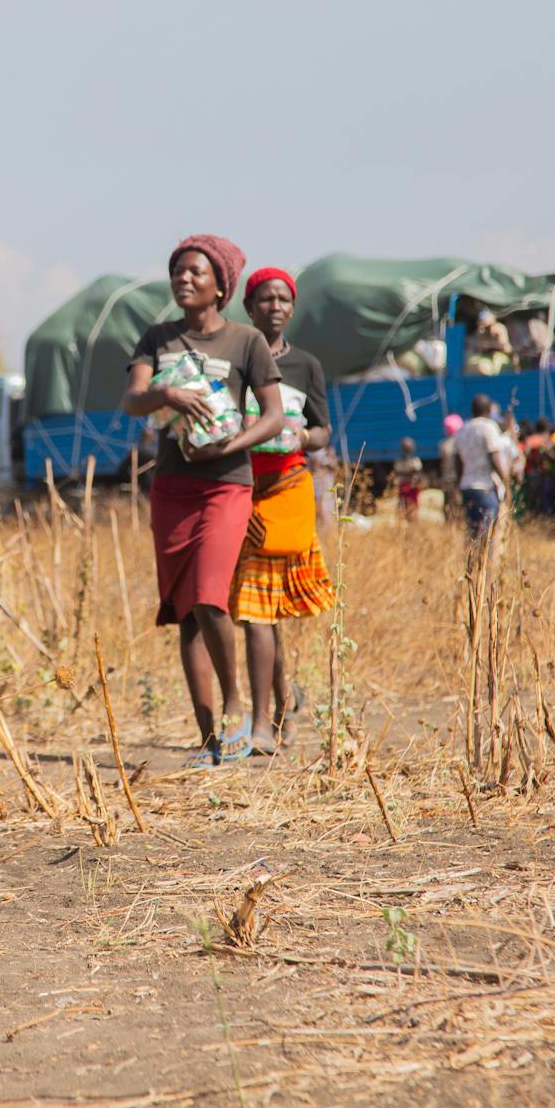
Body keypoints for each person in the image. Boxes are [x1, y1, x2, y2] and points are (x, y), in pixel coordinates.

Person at [123, 235, 284, 766]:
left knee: (212, 596)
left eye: (195, 272)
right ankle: (209, 738)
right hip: (172, 488)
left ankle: (237, 707)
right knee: (185, 610)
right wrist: (165, 394)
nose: (184, 280)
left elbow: (274, 416)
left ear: (221, 285)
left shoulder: (245, 342)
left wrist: (229, 444)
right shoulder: (157, 337)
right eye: (177, 272)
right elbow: (131, 401)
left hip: (226, 483)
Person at [227, 267, 336, 755]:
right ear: (249, 308)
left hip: (287, 488)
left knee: (258, 611)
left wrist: (300, 435)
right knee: (258, 612)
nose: (275, 307)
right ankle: (284, 704)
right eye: (265, 300)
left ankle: (264, 724)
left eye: (283, 299)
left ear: (291, 308)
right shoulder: (233, 359)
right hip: (238, 488)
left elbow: (323, 431)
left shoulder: (306, 364)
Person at [454, 394, 513, 542]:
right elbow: (494, 456)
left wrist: (458, 485)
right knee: (486, 536)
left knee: (472, 534)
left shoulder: (463, 429)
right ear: (488, 410)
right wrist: (506, 484)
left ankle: (472, 564)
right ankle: (483, 564)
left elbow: (458, 461)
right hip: (483, 486)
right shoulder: (488, 427)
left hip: (466, 486)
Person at [438, 412, 464, 521]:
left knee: (448, 508)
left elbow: (442, 464)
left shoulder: (443, 444)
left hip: (447, 480)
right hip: (458, 480)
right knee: (459, 508)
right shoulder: (461, 443)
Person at [392, 437, 424, 521]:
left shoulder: (411, 461)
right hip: (406, 487)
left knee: (410, 507)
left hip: (411, 487)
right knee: (405, 506)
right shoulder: (413, 461)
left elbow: (417, 475)